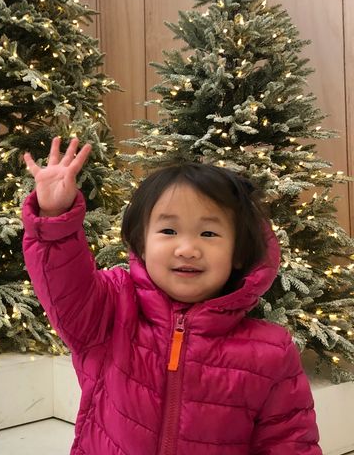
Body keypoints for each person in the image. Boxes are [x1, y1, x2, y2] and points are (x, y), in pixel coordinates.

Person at [22, 136, 321, 455]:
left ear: (238, 252)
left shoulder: (270, 351)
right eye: (168, 231)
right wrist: (55, 218)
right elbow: (64, 287)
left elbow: (290, 443)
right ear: (142, 242)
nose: (187, 249)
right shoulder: (112, 308)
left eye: (209, 233)